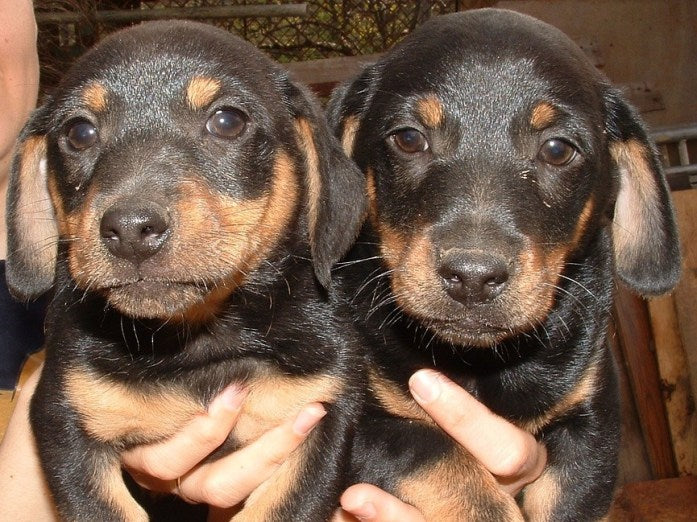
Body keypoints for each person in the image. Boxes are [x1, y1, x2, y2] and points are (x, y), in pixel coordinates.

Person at [0, 3, 546, 519]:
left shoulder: (326, 337)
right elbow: (67, 425)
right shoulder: (80, 356)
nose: (132, 220)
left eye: (226, 122)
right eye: (82, 132)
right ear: (39, 184)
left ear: (310, 165)